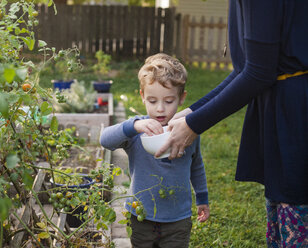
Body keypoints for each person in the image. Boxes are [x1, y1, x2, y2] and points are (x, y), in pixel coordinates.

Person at [155, 1, 308, 247]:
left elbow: (259, 73)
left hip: (296, 110)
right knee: (281, 205)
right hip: (279, 105)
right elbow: (245, 70)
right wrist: (191, 112)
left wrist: (194, 125)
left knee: (295, 203)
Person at [100, 54, 210, 248]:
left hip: (178, 219)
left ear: (181, 98)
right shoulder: (138, 130)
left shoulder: (187, 131)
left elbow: (196, 165)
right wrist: (133, 126)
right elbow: (105, 140)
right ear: (142, 96)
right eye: (152, 101)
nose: (160, 109)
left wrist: (202, 198)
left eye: (168, 101)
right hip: (141, 216)